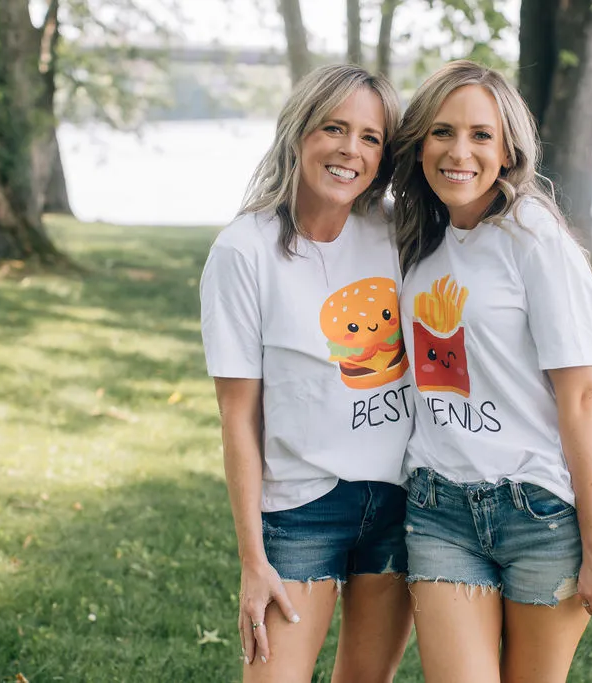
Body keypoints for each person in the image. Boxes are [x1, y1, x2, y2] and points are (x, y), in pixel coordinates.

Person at [390, 60, 592, 683]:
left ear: (508, 150)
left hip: (538, 514)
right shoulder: (421, 238)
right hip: (438, 507)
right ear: (419, 145)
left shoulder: (534, 240)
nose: (458, 151)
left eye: (480, 135)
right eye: (441, 132)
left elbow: (581, 397)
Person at [200, 64, 414, 683]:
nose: (351, 149)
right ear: (298, 134)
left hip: (400, 498)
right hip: (302, 507)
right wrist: (252, 558)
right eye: (334, 128)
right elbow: (238, 416)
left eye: (370, 137)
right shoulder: (243, 251)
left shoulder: (397, 232)